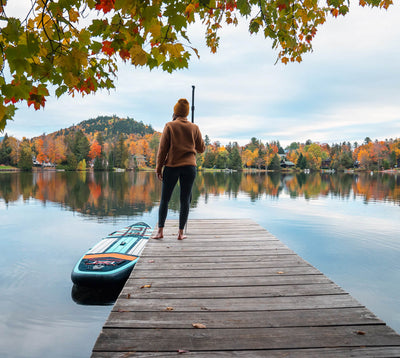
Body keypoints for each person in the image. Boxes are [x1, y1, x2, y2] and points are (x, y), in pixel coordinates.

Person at [152, 98, 205, 240]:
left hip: (172, 166)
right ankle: (181, 233)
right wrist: (191, 139)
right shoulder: (194, 128)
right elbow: (201, 149)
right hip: (190, 168)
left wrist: (158, 168)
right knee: (185, 199)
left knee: (165, 199)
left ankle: (160, 232)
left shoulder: (169, 125)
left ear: (175, 111)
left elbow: (162, 150)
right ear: (187, 113)